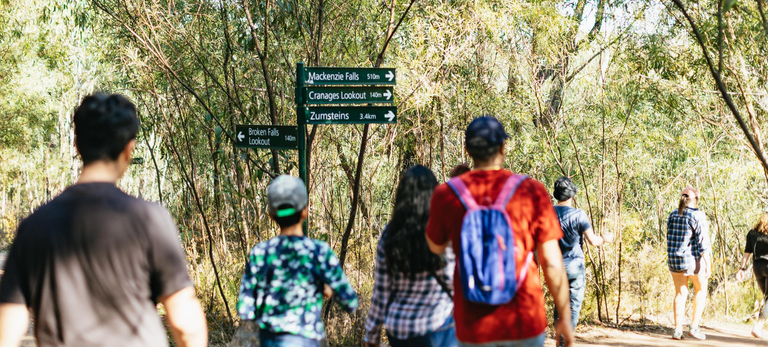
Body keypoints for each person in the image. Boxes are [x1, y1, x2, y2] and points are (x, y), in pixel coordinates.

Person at [0, 93, 207, 347]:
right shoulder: (150, 220)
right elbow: (184, 322)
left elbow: (7, 325)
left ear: (77, 145)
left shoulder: (34, 226)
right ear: (128, 149)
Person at [426, 115, 574, 347]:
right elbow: (552, 263)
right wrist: (564, 316)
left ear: (467, 150)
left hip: (472, 325)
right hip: (524, 320)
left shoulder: (447, 194)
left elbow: (434, 247)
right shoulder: (531, 190)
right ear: (503, 146)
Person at [236, 174, 358, 346]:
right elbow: (350, 302)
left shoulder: (260, 253)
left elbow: (245, 309)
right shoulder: (318, 252)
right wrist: (327, 290)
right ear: (305, 211)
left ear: (271, 215)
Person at [364, 165, 456, 347]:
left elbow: (381, 291)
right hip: (438, 327)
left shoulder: (390, 233)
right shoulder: (442, 231)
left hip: (399, 331)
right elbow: (453, 281)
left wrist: (371, 336)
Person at [553, 176, 614, 329]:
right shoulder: (579, 215)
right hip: (574, 266)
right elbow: (593, 241)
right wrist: (605, 238)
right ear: (572, 195)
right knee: (573, 307)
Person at [666, 185, 708, 341]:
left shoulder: (672, 215)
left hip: (674, 260)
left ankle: (677, 330)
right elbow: (703, 244)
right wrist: (707, 265)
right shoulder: (697, 216)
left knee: (680, 293)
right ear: (695, 199)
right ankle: (694, 326)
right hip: (691, 261)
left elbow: (670, 236)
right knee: (701, 289)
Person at [736, 213, 768, 338]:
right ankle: (758, 326)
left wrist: (741, 269)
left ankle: (759, 325)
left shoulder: (752, 233)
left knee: (767, 299)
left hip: (757, 268)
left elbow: (746, 254)